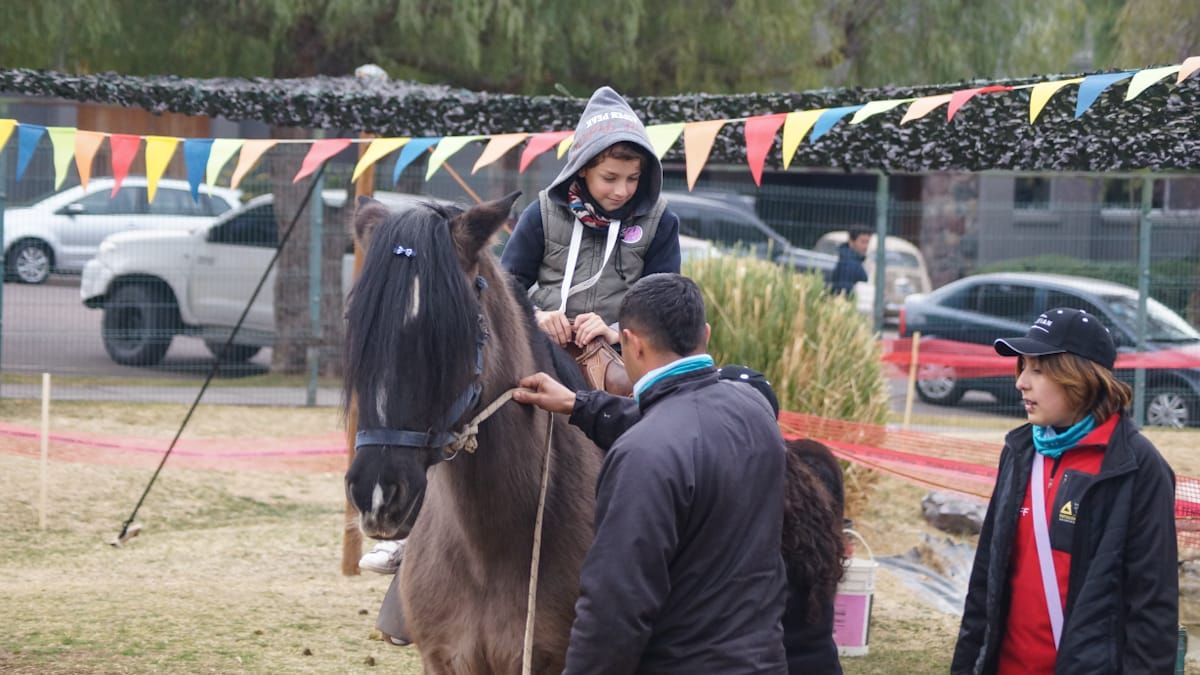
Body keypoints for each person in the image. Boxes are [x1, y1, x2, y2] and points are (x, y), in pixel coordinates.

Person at [515, 273, 788, 673]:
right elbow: (681, 420)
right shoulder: (754, 411)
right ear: (705, 334)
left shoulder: (642, 454)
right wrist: (580, 404)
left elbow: (615, 606)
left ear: (632, 343)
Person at [516, 370, 845, 674]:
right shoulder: (804, 484)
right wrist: (580, 403)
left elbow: (676, 434)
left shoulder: (721, 498)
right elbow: (677, 431)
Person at [952, 307, 1178, 674]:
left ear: (1079, 377)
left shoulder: (1137, 467)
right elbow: (984, 585)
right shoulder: (1019, 451)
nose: (1021, 382)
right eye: (1022, 368)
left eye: (1038, 370)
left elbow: (1152, 608)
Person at [501, 86, 681, 350]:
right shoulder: (541, 213)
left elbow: (666, 304)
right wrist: (536, 316)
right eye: (610, 178)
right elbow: (504, 287)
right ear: (582, 167)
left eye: (633, 178)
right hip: (544, 350)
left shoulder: (660, 222)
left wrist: (617, 331)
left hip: (623, 358)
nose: (622, 191)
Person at [829, 225, 870, 296]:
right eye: (863, 242)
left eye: (867, 242)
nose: (865, 246)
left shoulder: (853, 260)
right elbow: (844, 291)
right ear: (851, 241)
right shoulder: (848, 263)